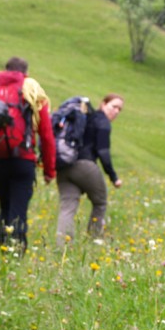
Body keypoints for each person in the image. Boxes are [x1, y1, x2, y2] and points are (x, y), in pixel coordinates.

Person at [0, 57, 56, 252]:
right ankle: (15, 254)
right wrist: (49, 170)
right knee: (18, 209)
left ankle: (2, 248)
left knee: (5, 204)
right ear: (24, 72)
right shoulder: (31, 90)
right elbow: (46, 133)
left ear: (6, 70)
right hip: (23, 160)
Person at [55, 93, 124, 243]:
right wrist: (114, 177)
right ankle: (94, 240)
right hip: (84, 165)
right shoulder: (103, 122)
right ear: (103, 104)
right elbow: (103, 152)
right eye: (114, 106)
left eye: (120, 109)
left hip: (64, 165)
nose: (116, 111)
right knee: (100, 202)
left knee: (67, 207)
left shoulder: (86, 117)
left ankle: (62, 249)